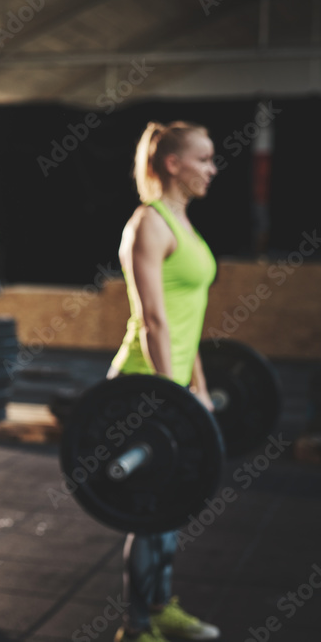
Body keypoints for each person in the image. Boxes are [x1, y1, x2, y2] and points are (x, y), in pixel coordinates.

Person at [108, 121, 221, 642]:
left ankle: (160, 605)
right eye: (203, 159)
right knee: (151, 511)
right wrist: (167, 394)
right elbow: (154, 320)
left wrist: (196, 385)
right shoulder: (148, 223)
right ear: (172, 164)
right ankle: (136, 627)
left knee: (172, 506)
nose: (212, 169)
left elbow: (186, 321)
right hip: (142, 384)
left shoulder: (183, 222)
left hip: (173, 385)